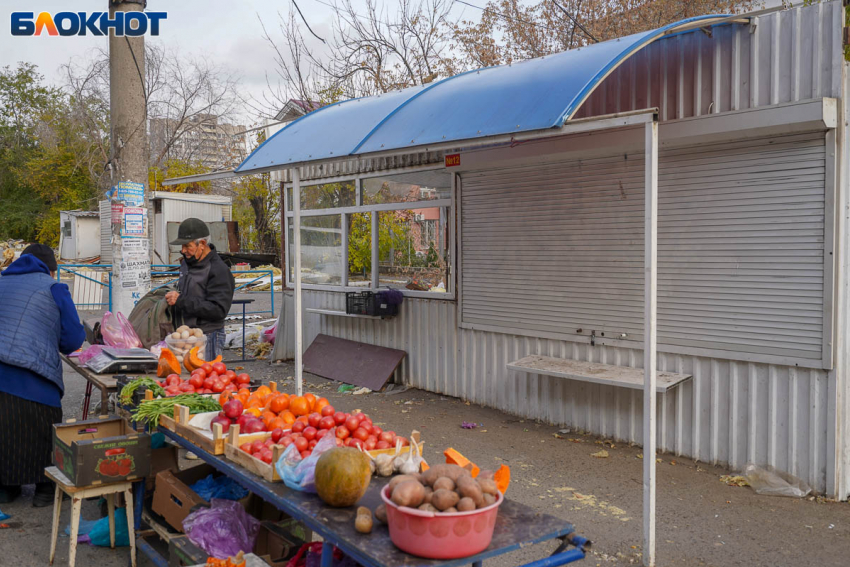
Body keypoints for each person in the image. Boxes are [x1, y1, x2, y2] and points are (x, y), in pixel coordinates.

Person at [0, 244, 85, 506]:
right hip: (33, 376)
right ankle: (45, 489)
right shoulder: (54, 287)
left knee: (6, 430)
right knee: (43, 428)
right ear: (50, 270)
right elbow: (73, 340)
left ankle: (6, 487)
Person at [165, 218, 235, 361]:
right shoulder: (187, 263)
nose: (183, 251)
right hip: (187, 335)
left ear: (202, 244)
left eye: (187, 246)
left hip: (208, 336)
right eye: (182, 246)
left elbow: (218, 310)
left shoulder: (219, 270)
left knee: (205, 380)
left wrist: (181, 300)